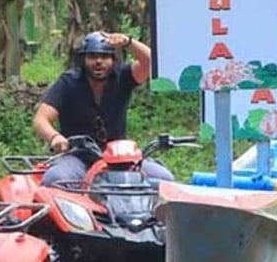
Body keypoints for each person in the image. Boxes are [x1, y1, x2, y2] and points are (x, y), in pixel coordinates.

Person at [32, 30, 173, 187]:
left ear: (113, 60)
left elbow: (151, 61)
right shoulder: (69, 83)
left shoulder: (123, 77)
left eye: (105, 57)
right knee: (54, 179)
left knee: (164, 179)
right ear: (83, 59)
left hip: (120, 158)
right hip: (78, 157)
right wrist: (55, 137)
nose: (99, 61)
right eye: (92, 57)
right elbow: (41, 119)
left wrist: (129, 42)